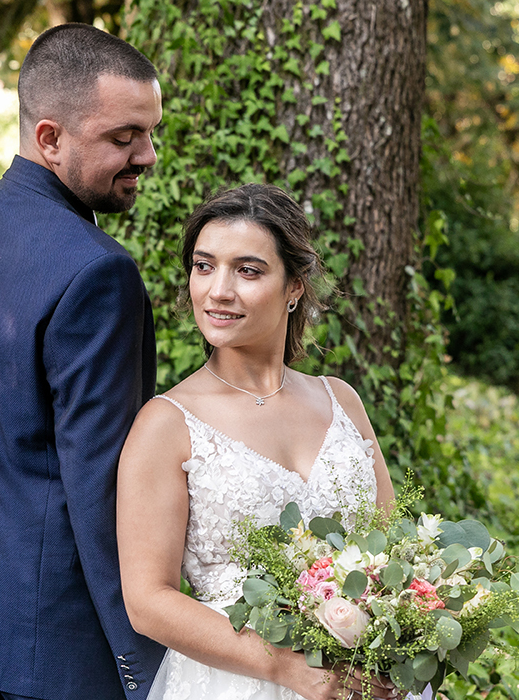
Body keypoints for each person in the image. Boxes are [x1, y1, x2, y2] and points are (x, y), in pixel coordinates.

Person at [0, 23, 166, 700]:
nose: (148, 155)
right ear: (50, 138)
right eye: (124, 137)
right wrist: (143, 662)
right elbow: (101, 483)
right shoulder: (100, 272)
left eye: (151, 133)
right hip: (50, 652)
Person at [116, 184, 401, 700]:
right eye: (204, 266)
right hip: (233, 683)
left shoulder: (342, 400)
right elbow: (147, 602)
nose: (218, 290)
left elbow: (393, 550)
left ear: (294, 286)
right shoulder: (166, 424)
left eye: (247, 270)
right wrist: (284, 668)